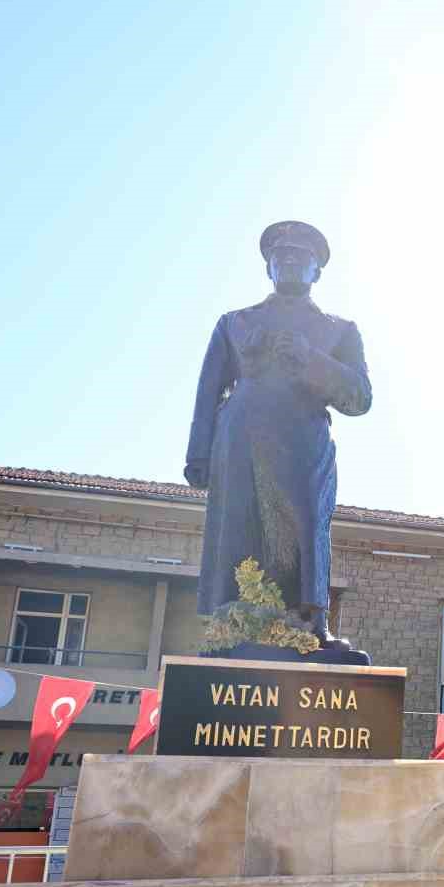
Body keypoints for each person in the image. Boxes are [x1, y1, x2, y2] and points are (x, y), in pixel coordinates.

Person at [184, 220, 372, 651]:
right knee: (240, 526)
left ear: (316, 272)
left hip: (304, 436)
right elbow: (208, 390)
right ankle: (236, 623)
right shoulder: (235, 322)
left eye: (300, 257)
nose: (289, 262)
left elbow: (360, 398)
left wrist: (312, 360)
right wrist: (198, 455)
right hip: (240, 438)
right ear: (267, 268)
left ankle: (311, 624)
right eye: (280, 257)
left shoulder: (339, 329)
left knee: (307, 525)